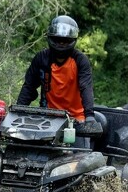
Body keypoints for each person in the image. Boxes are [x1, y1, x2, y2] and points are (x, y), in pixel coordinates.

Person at [16, 15, 101, 147]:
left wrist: (89, 117)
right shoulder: (41, 58)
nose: (61, 44)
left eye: (65, 41)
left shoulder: (80, 60)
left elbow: (86, 88)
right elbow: (29, 87)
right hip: (47, 118)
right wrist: (18, 112)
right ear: (51, 39)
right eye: (57, 40)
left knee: (79, 159)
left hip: (75, 120)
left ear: (72, 40)